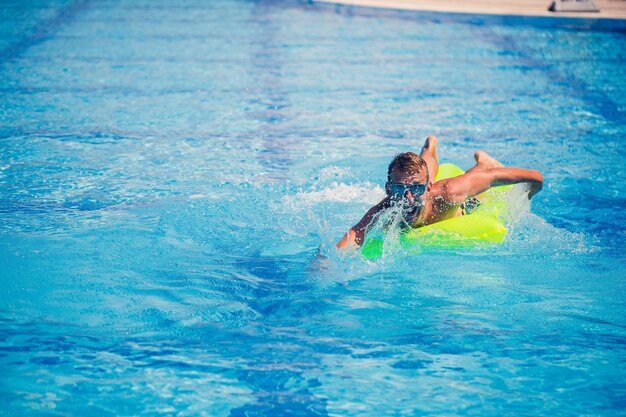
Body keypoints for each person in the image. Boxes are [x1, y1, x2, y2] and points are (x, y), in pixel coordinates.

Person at [336, 135, 543, 250]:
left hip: (463, 205)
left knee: (478, 181)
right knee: (422, 169)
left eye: (416, 189)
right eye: (400, 189)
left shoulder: (449, 193)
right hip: (424, 184)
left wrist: (528, 195)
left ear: (427, 189)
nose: (407, 198)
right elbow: (355, 234)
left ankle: (482, 161)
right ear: (389, 190)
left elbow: (534, 176)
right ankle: (430, 146)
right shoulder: (386, 207)